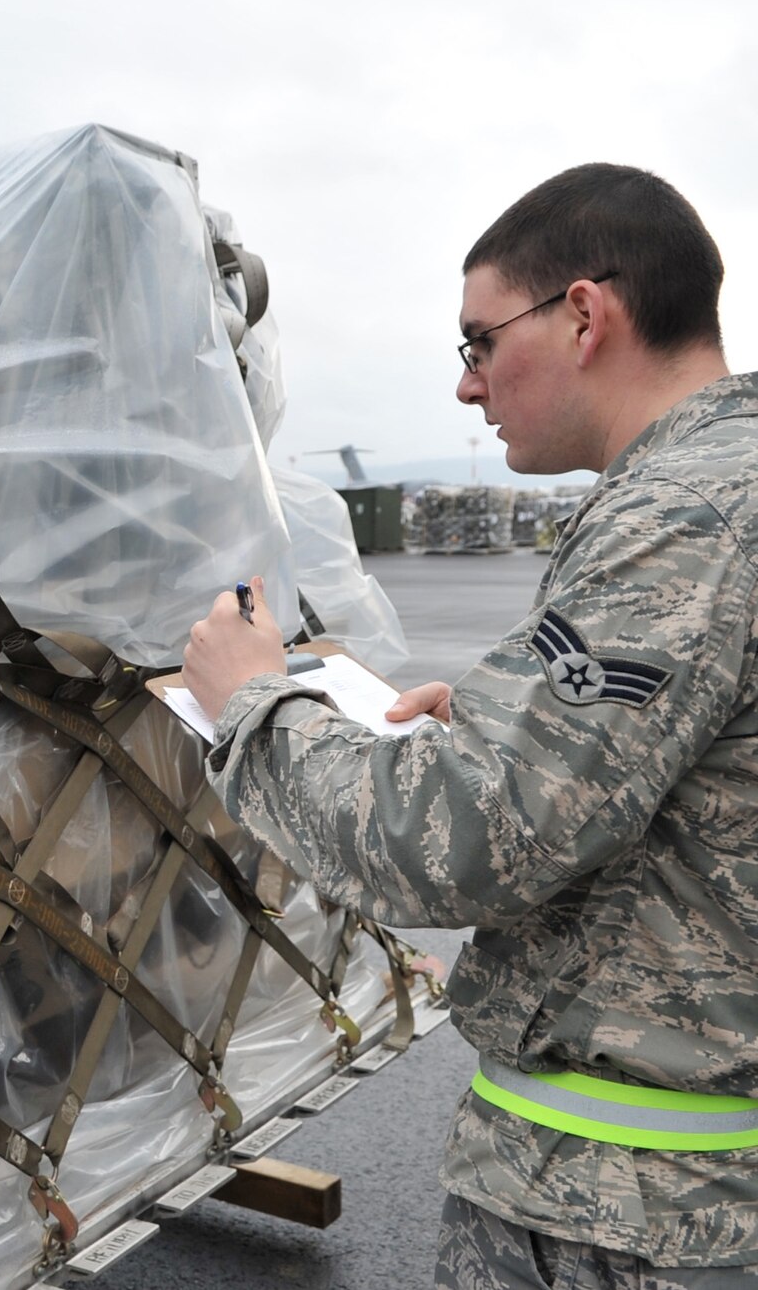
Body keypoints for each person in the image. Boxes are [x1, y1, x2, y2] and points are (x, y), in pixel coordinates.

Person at [181, 163, 758, 1288]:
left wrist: (251, 702)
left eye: (477, 343)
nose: (465, 386)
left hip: (621, 1215)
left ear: (583, 315)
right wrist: (501, 725)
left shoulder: (678, 521)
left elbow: (468, 845)